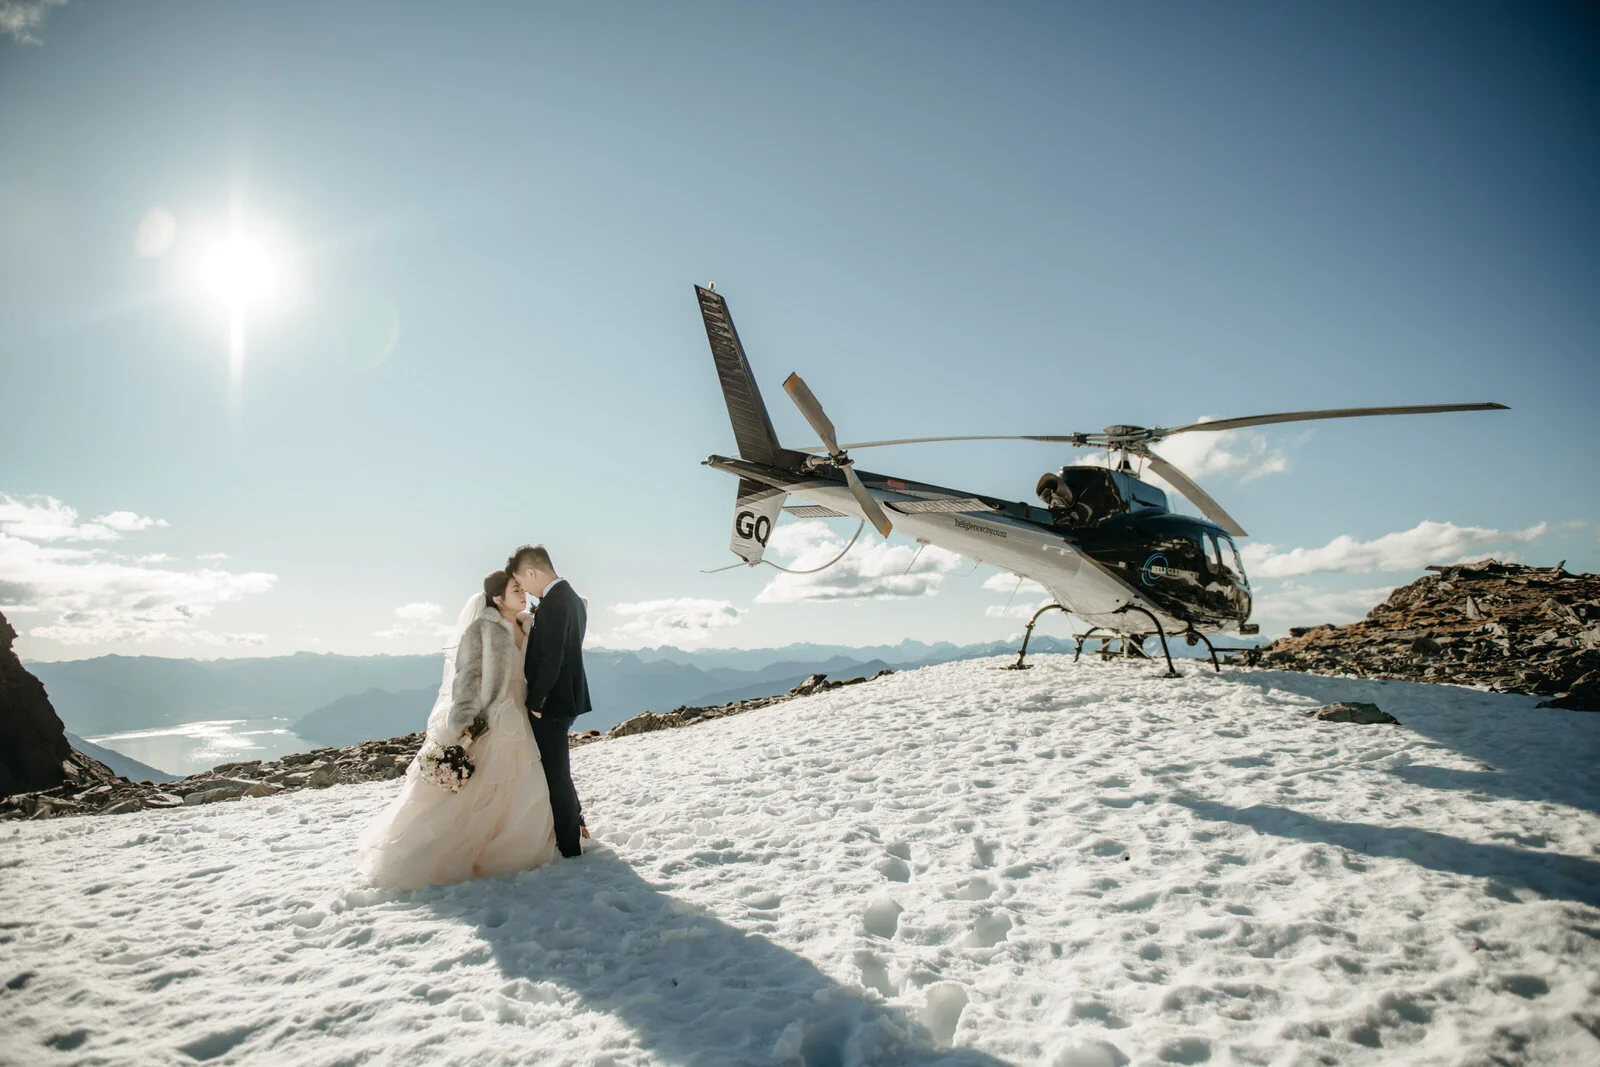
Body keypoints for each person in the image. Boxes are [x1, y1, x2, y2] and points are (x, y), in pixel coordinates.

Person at [355, 571, 557, 888]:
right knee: (483, 788)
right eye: (515, 589)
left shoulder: (527, 624)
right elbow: (467, 676)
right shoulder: (482, 631)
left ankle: (515, 849)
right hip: (492, 716)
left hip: (519, 714)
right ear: (497, 599)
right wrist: (465, 719)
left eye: (522, 588)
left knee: (524, 783)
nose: (523, 594)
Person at [507, 544, 591, 859]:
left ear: (532, 572)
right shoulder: (569, 598)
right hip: (566, 696)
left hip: (554, 701)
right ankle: (573, 827)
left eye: (522, 581)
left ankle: (569, 845)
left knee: (555, 775)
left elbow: (553, 656)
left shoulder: (557, 601)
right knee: (558, 770)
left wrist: (538, 701)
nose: (524, 589)